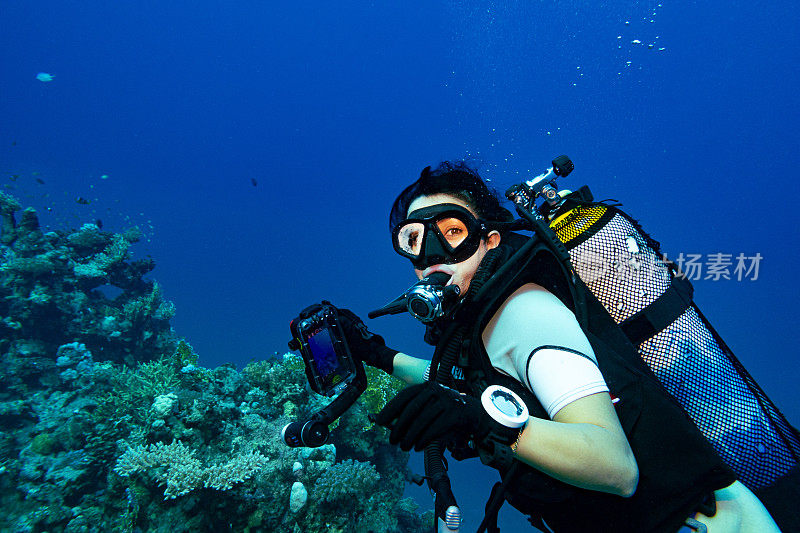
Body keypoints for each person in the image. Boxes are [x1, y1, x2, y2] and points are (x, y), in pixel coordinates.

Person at [338, 162, 780, 532]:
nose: (432, 253)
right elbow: (457, 380)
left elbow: (616, 467)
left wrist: (485, 419)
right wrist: (377, 354)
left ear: (490, 240)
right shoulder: (482, 321)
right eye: (414, 239)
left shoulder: (522, 313)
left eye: (452, 231)